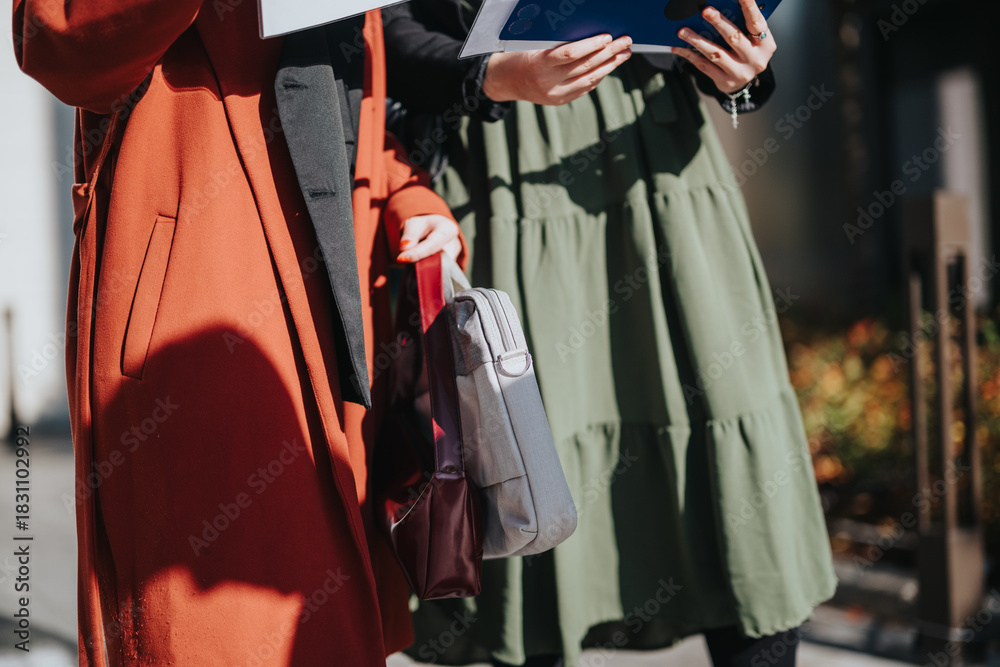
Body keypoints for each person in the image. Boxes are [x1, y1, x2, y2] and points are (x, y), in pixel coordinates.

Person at [382, 1, 837, 666]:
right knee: (530, 460)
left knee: (732, 454)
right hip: (502, 174)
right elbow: (372, 32)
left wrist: (744, 67)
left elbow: (724, 36)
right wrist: (491, 76)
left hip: (663, 171)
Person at [13, 2, 463, 665]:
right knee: (215, 631)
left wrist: (409, 196)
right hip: (203, 329)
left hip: (335, 338)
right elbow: (53, 37)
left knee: (318, 628)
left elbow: (337, 105)